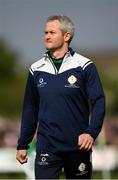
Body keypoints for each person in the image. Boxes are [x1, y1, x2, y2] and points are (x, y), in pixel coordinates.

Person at [16, 15, 105, 179]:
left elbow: (98, 101)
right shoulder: (36, 69)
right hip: (47, 147)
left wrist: (91, 133)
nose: (47, 36)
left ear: (66, 36)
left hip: (78, 147)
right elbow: (30, 108)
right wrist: (23, 143)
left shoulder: (85, 66)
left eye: (52, 32)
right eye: (45, 32)